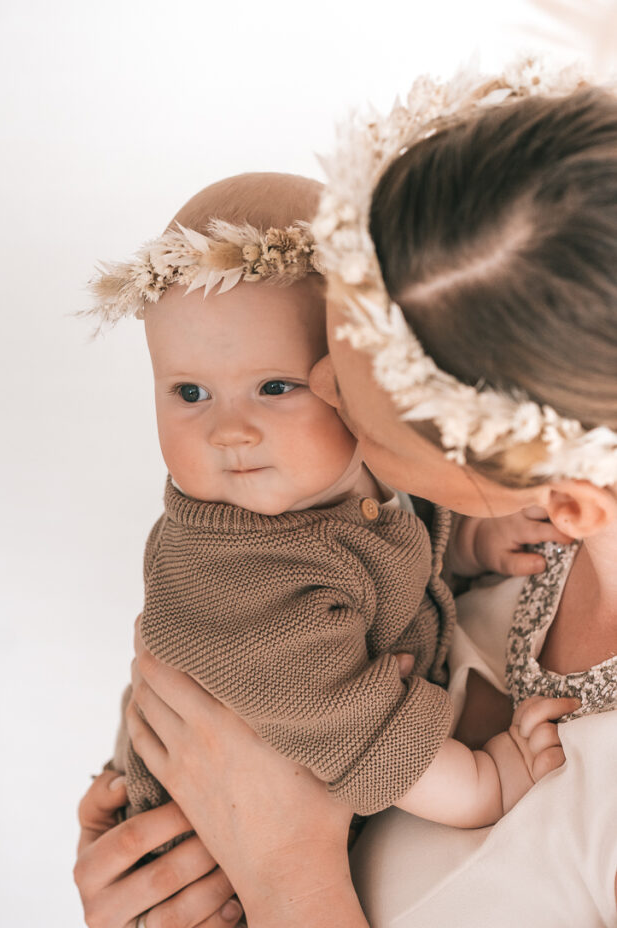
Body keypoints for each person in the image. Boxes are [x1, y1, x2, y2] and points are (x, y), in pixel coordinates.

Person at [74, 61, 617, 928]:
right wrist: (152, 877)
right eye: (188, 393)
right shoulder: (493, 541)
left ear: (566, 498)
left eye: (363, 396)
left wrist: (288, 875)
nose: (329, 380)